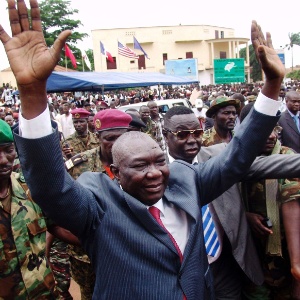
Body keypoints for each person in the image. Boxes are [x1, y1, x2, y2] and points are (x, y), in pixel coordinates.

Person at [0, 2, 287, 298]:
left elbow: (237, 156)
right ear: (115, 173)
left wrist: (273, 85)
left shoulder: (185, 182)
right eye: (139, 166)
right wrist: (33, 94)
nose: (154, 174)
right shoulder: (99, 206)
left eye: (159, 161)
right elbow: (50, 188)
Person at [163, 106, 300, 299]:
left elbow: (267, 165)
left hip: (227, 267)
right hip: (184, 272)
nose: (192, 140)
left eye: (197, 133)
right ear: (165, 135)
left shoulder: (220, 155)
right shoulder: (155, 170)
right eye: (183, 134)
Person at [240, 102, 300, 299]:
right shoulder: (234, 161)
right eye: (265, 130)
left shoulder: (286, 157)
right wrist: (244, 216)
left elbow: (291, 201)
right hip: (251, 254)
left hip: (285, 252)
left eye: (275, 129)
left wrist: (296, 264)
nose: (272, 136)